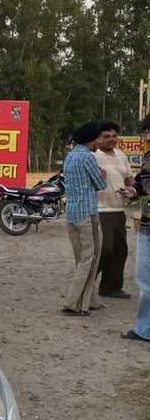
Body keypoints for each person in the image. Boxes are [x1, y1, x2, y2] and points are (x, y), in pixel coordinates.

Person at [62, 121, 107, 316]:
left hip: (72, 214)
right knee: (91, 259)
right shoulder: (88, 157)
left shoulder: (71, 156)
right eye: (99, 138)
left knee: (81, 258)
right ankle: (76, 303)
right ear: (92, 138)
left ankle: (93, 299)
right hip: (88, 214)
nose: (100, 142)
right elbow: (99, 184)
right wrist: (102, 176)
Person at [95, 120, 134, 299]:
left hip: (119, 209)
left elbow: (129, 179)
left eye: (114, 136)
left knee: (120, 250)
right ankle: (85, 284)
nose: (112, 139)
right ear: (98, 138)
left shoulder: (121, 155)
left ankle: (110, 288)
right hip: (99, 209)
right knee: (105, 249)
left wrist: (131, 190)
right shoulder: (92, 155)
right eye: (107, 136)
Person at [122, 116, 150, 342]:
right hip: (147, 227)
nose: (146, 137)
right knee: (145, 280)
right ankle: (145, 329)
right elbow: (142, 182)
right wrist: (134, 191)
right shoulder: (149, 157)